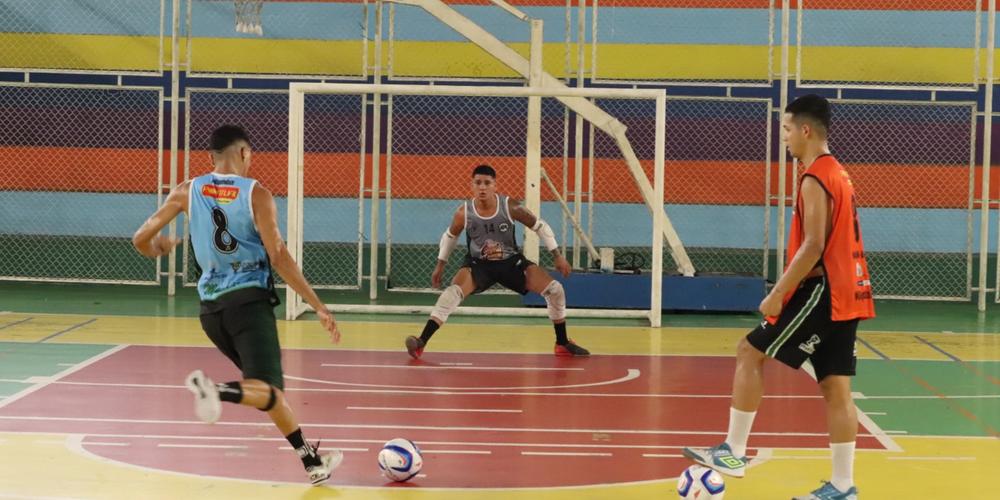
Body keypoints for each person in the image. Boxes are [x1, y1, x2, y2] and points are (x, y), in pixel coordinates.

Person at [683, 95, 874, 500]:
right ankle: (843, 486)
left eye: (787, 129)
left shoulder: (815, 176)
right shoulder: (838, 171)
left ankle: (733, 451)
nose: (784, 137)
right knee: (836, 388)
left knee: (749, 352)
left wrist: (777, 293)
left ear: (805, 130)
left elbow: (813, 245)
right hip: (849, 290)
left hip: (824, 289)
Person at [132, 125, 343, 485]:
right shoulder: (256, 193)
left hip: (211, 311)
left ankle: (310, 460)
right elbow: (278, 254)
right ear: (244, 153)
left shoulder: (187, 190)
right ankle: (214, 390)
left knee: (264, 391)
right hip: (249, 304)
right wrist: (317, 304)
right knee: (268, 388)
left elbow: (140, 239)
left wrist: (159, 248)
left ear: (210, 157)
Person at [405, 164, 590, 359]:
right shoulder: (464, 213)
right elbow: (450, 237)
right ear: (472, 186)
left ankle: (562, 343)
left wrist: (557, 255)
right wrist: (440, 265)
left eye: (487, 183)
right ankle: (420, 342)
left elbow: (540, 227)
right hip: (479, 265)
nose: (482, 187)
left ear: (495, 186)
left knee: (555, 290)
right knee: (451, 294)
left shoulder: (511, 207)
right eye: (478, 183)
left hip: (510, 263)